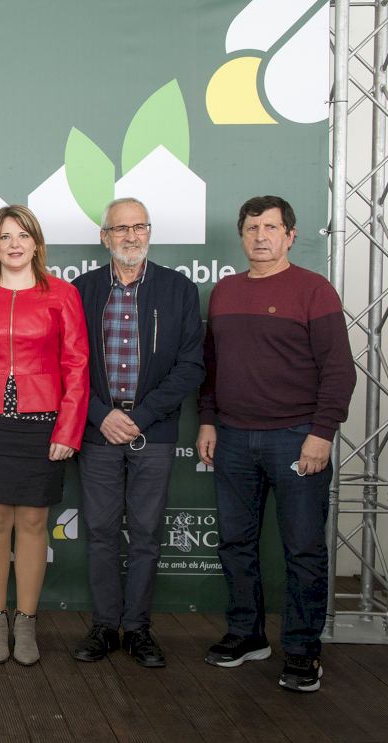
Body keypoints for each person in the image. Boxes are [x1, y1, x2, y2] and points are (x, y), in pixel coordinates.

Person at [197, 195, 355, 692]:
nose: (260, 236)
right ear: (241, 236)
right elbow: (212, 368)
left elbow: (339, 370)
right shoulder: (224, 292)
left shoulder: (314, 290)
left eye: (270, 228)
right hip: (233, 439)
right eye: (252, 228)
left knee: (303, 549)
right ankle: (247, 635)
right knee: (235, 543)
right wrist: (208, 421)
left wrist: (321, 433)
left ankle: (303, 651)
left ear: (290, 235)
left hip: (296, 438)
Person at [70, 197, 204, 668]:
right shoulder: (82, 290)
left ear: (149, 232)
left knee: (146, 534)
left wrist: (141, 416)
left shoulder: (178, 289)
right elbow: (67, 365)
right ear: (104, 237)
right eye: (120, 228)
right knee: (101, 533)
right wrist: (100, 414)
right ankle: (105, 626)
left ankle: (138, 629)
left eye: (139, 227)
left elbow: (191, 367)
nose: (131, 236)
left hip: (154, 431)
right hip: (98, 431)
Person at [0, 204, 88, 665]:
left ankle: (26, 621)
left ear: (36, 243)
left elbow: (77, 365)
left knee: (32, 523)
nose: (14, 244)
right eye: (5, 236)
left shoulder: (63, 294)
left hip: (42, 420)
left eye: (23, 235)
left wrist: (68, 428)